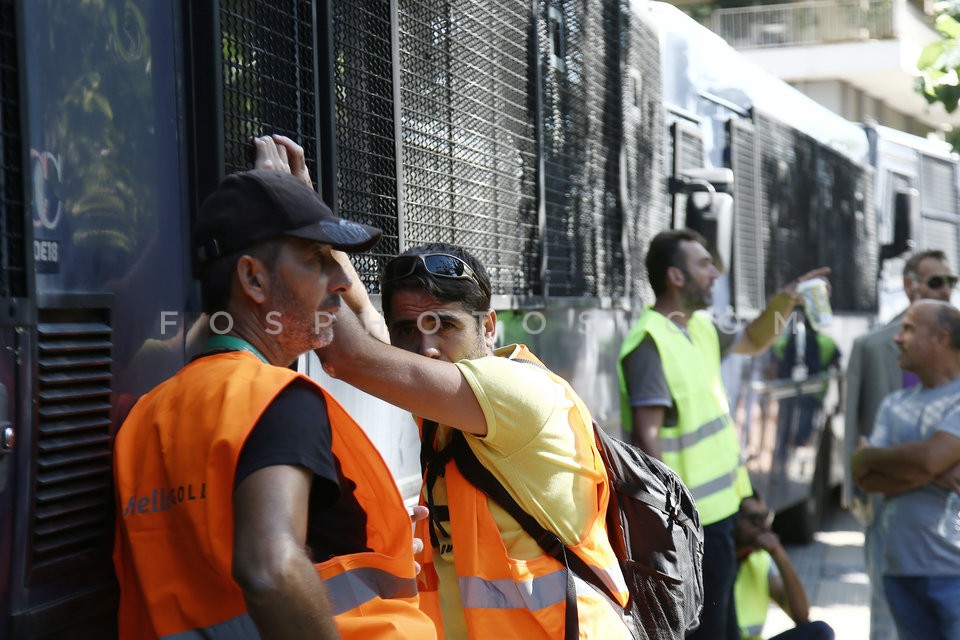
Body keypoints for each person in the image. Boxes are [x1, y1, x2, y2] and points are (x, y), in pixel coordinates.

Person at [113, 142, 437, 639]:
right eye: (316, 260)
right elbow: (269, 568)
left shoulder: (147, 415)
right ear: (253, 280)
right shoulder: (279, 399)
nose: (338, 282)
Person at [316, 242, 632, 639]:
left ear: (487, 326)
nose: (425, 349)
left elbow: (351, 356)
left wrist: (300, 248)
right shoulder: (447, 402)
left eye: (444, 325)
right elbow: (368, 331)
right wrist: (330, 255)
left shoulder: (511, 391)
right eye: (407, 331)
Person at [616, 229, 829, 640]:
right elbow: (647, 439)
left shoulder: (699, 328)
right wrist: (670, 525)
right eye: (704, 264)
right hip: (693, 527)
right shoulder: (649, 342)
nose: (715, 273)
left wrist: (786, 302)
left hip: (722, 516)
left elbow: (754, 339)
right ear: (676, 277)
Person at [843, 249, 956, 640]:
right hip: (890, 524)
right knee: (885, 622)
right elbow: (859, 454)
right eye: (936, 281)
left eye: (950, 282)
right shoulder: (873, 346)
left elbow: (929, 459)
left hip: (949, 552)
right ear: (910, 285)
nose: (946, 289)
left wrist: (887, 460)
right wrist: (858, 478)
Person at [734, 494, 835, 640]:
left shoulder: (760, 560)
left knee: (820, 632)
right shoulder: (714, 562)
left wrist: (780, 554)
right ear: (733, 522)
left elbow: (801, 616)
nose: (765, 527)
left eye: (767, 518)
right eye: (755, 519)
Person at [769, 310, 841, 464]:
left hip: (786, 395)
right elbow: (838, 370)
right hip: (813, 394)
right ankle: (797, 462)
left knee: (784, 427)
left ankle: (781, 460)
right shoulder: (827, 343)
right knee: (805, 430)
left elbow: (774, 369)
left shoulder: (783, 342)